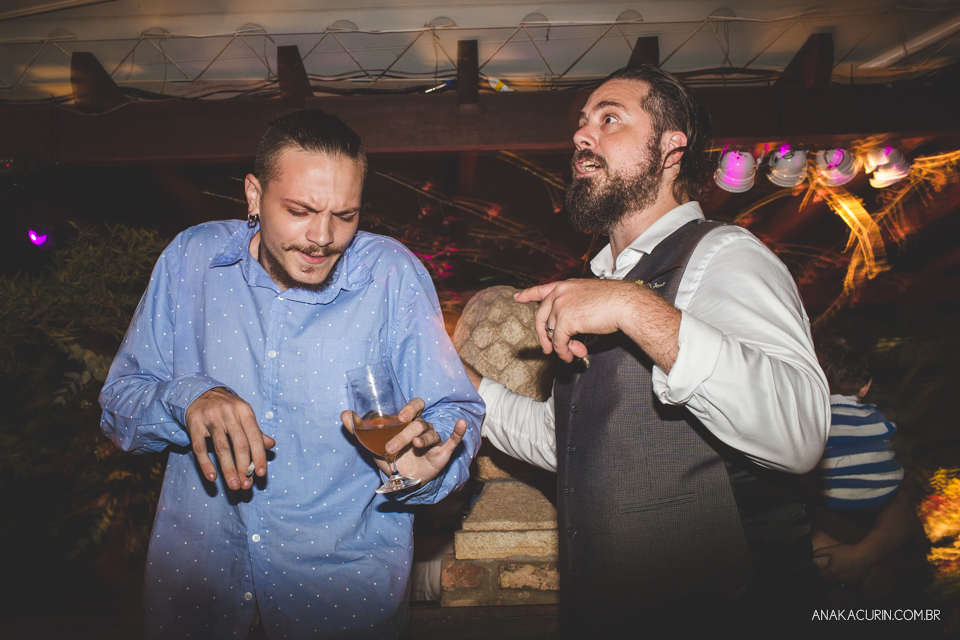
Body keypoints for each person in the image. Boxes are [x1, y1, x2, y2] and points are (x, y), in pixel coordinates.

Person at [463, 64, 831, 633]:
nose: (582, 135)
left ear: (670, 149)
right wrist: (464, 383)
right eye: (583, 122)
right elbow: (569, 445)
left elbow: (799, 434)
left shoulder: (725, 255)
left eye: (610, 119)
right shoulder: (598, 285)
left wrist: (634, 308)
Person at [99, 109, 483, 639]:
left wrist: (426, 467)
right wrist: (187, 398)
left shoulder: (391, 275)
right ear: (254, 195)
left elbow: (453, 410)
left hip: (342, 602)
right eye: (300, 211)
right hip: (200, 593)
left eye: (345, 215)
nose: (323, 237)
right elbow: (118, 405)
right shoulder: (189, 259)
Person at [809, 332, 916, 595]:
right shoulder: (879, 418)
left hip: (833, 512)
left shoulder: (813, 420)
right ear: (866, 386)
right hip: (879, 504)